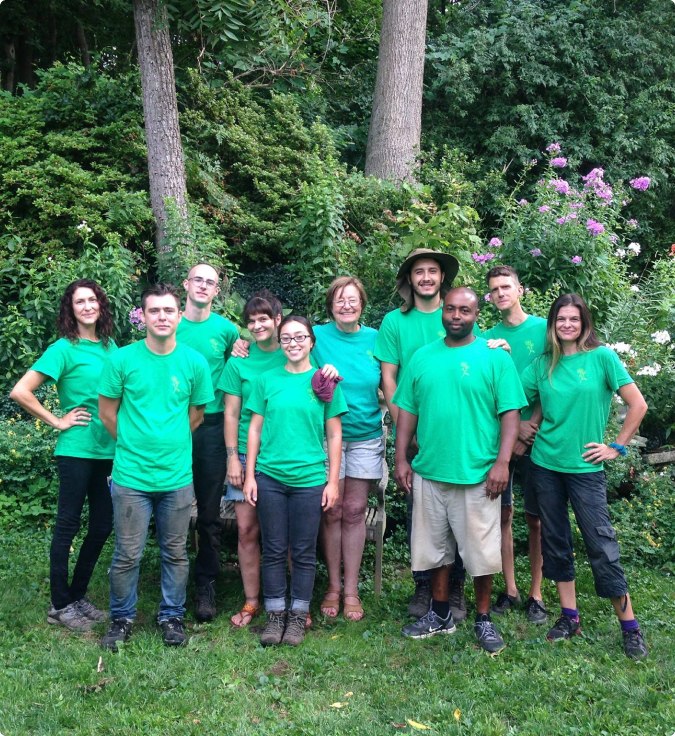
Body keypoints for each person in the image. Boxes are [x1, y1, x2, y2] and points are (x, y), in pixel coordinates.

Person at [393, 287, 527, 653]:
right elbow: (407, 410)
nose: (455, 315)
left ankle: (483, 619)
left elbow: (511, 413)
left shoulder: (494, 358)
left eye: (464, 310)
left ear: (476, 314)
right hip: (430, 471)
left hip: (478, 474)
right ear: (443, 313)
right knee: (433, 550)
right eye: (450, 309)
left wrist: (502, 463)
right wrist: (400, 458)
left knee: (481, 553)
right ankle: (440, 614)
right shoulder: (422, 358)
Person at [520, 293, 649, 659]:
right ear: (552, 324)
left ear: (584, 323)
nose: (566, 325)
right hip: (545, 465)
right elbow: (510, 397)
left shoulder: (602, 358)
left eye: (573, 319)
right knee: (556, 541)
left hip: (586, 469)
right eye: (560, 319)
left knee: (600, 543)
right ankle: (569, 616)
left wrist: (616, 447)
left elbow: (637, 404)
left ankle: (630, 627)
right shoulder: (542, 364)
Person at [98, 283, 213, 650]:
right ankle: (121, 618)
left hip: (177, 477)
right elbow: (107, 414)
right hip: (131, 476)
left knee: (175, 552)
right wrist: (136, 443)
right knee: (127, 554)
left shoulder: (194, 362)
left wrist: (169, 442)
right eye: (154, 311)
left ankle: (172, 616)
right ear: (143, 317)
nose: (162, 317)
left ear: (179, 315)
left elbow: (196, 415)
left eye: (168, 311)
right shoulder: (122, 360)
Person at [375, 248, 477, 621]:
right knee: (422, 513)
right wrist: (409, 428)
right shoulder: (394, 323)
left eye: (433, 271)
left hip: (454, 434)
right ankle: (423, 586)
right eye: (419, 272)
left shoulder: (458, 315)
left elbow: (473, 364)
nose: (426, 277)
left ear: (441, 278)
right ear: (410, 279)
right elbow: (389, 379)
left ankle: (457, 589)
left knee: (462, 514)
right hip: (412, 429)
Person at [10, 279, 117, 632]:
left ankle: (77, 596)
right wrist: (57, 420)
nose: (87, 306)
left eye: (92, 300)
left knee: (102, 525)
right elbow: (21, 391)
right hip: (76, 450)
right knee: (68, 525)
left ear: (101, 305)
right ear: (70, 310)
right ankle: (60, 604)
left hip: (109, 449)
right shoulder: (63, 349)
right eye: (79, 302)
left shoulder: (109, 346)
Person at [243, 315, 347, 647]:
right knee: (273, 549)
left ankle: (298, 617)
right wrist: (249, 475)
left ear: (311, 342)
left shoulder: (324, 381)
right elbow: (255, 428)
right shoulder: (266, 380)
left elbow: (333, 433)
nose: (293, 344)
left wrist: (332, 482)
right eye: (286, 338)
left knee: (302, 551)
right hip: (270, 477)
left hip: (310, 479)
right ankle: (275, 616)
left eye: (300, 337)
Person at [313, 277, 383, 622]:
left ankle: (352, 588)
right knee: (332, 510)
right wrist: (241, 346)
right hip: (326, 436)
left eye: (352, 300)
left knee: (355, 510)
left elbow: (393, 382)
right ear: (331, 305)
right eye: (339, 300)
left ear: (362, 304)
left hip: (366, 435)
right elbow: (277, 349)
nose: (346, 305)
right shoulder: (315, 337)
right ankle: (333, 586)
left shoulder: (377, 339)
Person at [481, 265, 548, 623]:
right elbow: (486, 390)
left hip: (537, 438)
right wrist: (511, 432)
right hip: (501, 440)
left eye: (506, 286)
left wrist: (529, 424)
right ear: (489, 298)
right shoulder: (486, 337)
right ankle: (510, 589)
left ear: (520, 289)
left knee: (534, 519)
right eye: (494, 289)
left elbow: (551, 377)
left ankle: (537, 593)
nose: (501, 293)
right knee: (502, 515)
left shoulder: (542, 330)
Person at [218, 289, 286, 627]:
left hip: (282, 452)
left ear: (278, 319)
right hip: (245, 451)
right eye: (251, 321)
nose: (257, 325)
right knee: (246, 529)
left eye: (263, 319)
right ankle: (251, 601)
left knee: (281, 532)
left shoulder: (295, 353)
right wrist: (233, 459)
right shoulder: (239, 360)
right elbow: (230, 414)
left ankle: (288, 603)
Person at [176, 263, 239, 622]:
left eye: (210, 282)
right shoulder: (169, 324)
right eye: (197, 279)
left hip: (213, 428)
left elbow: (240, 366)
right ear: (186, 285)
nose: (202, 286)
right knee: (171, 506)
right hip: (174, 428)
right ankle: (173, 581)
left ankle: (206, 586)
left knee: (210, 515)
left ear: (217, 290)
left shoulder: (227, 331)